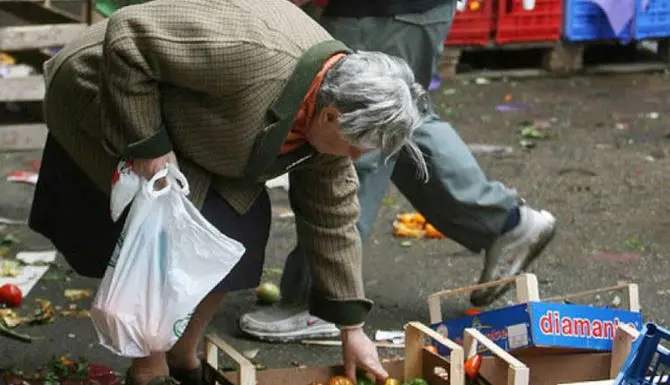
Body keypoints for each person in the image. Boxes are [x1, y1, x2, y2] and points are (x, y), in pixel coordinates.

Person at [27, 0, 431, 384]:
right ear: (330, 115)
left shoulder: (332, 121)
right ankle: (149, 371)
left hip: (200, 122)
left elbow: (333, 218)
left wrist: (351, 329)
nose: (358, 155)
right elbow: (129, 37)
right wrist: (148, 146)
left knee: (240, 232)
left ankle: (182, 354)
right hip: (107, 88)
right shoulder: (250, 53)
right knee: (168, 228)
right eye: (358, 144)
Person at [238, 0, 558, 342]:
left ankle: (321, 301)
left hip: (383, 12)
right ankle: (503, 223)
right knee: (391, 118)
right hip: (403, 12)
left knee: (351, 132)